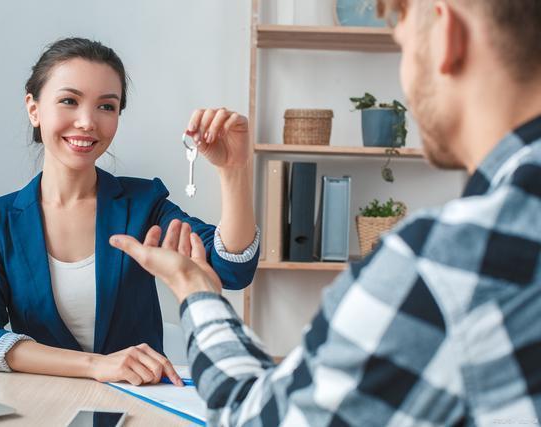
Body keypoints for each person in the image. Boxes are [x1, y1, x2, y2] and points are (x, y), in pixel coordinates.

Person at [110, 0, 541, 424]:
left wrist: (193, 285)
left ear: (447, 35)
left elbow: (260, 415)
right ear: (36, 108)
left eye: (403, 48)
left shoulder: (447, 263)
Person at [0, 37, 260, 386]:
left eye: (106, 107)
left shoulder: (144, 203)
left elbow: (233, 269)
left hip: (138, 405)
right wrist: (95, 365)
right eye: (69, 101)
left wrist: (233, 171)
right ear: (34, 108)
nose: (87, 122)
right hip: (43, 408)